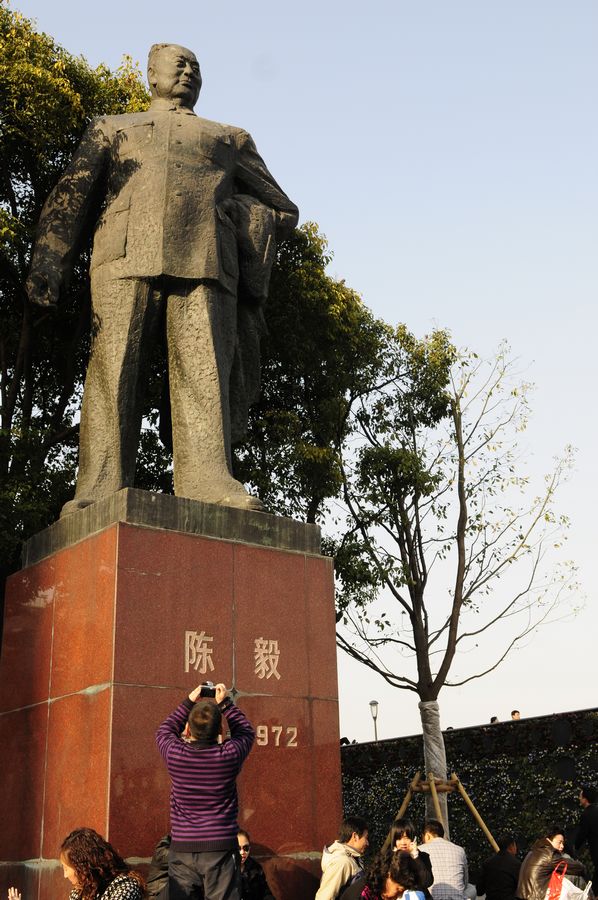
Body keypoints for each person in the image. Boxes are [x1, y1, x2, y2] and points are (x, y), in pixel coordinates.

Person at [27, 42, 299, 517]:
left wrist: (236, 215)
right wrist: (49, 261)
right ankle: (98, 484)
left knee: (204, 373)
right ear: (150, 75)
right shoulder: (113, 128)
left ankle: (207, 478)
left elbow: (282, 207)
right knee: (111, 371)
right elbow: (71, 196)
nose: (190, 71)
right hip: (122, 257)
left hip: (206, 261)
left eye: (197, 66)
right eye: (180, 63)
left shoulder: (229, 138)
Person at [156, 680, 255, 900]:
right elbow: (246, 732)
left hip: (182, 848)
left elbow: (164, 731)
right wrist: (226, 704)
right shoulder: (228, 756)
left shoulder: (175, 755)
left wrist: (189, 701)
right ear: (220, 730)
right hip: (220, 848)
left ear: (188, 729)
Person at [8, 828, 144, 900]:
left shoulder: (125, 886)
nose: (65, 875)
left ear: (84, 867)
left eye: (67, 869)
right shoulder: (80, 891)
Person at [517, 826, 586, 900]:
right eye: (560, 842)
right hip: (536, 897)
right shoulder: (550, 854)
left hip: (522, 895)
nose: (562, 846)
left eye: (563, 843)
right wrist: (583, 868)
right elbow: (575, 867)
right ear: (549, 840)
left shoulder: (533, 851)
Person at [315, 815, 369, 900]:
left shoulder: (353, 858)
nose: (367, 843)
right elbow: (325, 897)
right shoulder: (342, 862)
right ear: (355, 836)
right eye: (366, 838)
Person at [343, 850, 425, 900]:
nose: (398, 896)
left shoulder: (378, 892)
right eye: (399, 890)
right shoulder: (363, 894)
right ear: (388, 875)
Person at [420, 820, 468, 900]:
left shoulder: (420, 850)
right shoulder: (460, 850)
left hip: (431, 897)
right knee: (471, 888)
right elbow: (465, 881)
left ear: (427, 836)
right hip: (457, 898)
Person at [389, 819, 434, 896]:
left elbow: (427, 881)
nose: (403, 842)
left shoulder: (422, 857)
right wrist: (396, 858)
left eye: (406, 838)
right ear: (394, 841)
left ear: (413, 839)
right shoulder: (388, 858)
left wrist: (416, 857)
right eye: (399, 839)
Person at [475, 834, 521, 900]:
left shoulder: (487, 863)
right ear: (511, 846)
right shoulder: (516, 864)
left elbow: (479, 891)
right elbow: (521, 890)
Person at [237, 830, 275, 900]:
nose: (242, 852)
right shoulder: (225, 871)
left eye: (246, 848)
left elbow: (265, 892)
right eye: (238, 848)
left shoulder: (256, 868)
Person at [575, 785, 598, 881]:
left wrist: (575, 847)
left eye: (581, 796)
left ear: (585, 799)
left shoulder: (586, 814)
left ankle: (595, 894)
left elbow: (582, 834)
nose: (579, 798)